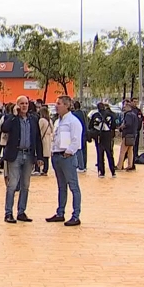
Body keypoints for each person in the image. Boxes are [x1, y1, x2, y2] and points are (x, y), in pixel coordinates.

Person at [0, 96, 44, 224]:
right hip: (16, 154)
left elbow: (37, 139)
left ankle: (21, 211)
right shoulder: (12, 119)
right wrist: (13, 115)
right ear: (17, 105)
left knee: (25, 185)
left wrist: (40, 157)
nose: (24, 106)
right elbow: (4, 129)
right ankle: (8, 212)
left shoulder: (33, 119)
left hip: (29, 155)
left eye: (26, 103)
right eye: (21, 104)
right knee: (12, 184)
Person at [46, 96, 83, 226]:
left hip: (66, 157)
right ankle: (60, 212)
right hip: (57, 155)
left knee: (73, 186)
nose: (56, 106)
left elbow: (76, 139)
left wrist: (69, 152)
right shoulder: (58, 122)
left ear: (67, 105)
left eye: (59, 104)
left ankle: (76, 215)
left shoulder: (73, 121)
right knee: (61, 186)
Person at [89, 102, 116, 178]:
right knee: (110, 153)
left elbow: (90, 126)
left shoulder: (95, 115)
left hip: (99, 136)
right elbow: (114, 125)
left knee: (100, 154)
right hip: (108, 135)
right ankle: (113, 171)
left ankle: (101, 172)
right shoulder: (110, 115)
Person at [117, 101, 139, 171]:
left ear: (128, 107)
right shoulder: (134, 115)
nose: (124, 108)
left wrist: (121, 127)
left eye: (125, 106)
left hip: (127, 135)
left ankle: (119, 166)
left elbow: (128, 124)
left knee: (122, 151)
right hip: (133, 135)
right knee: (130, 151)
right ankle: (130, 165)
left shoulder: (128, 115)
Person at [37, 103, 53, 177]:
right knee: (46, 155)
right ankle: (45, 169)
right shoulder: (50, 121)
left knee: (42, 154)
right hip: (48, 139)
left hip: (43, 139)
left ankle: (40, 169)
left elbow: (38, 130)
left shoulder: (41, 120)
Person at [71, 101, 88, 173]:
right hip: (84, 133)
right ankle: (84, 165)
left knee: (78, 150)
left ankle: (80, 165)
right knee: (84, 150)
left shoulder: (74, 115)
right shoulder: (83, 113)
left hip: (78, 134)